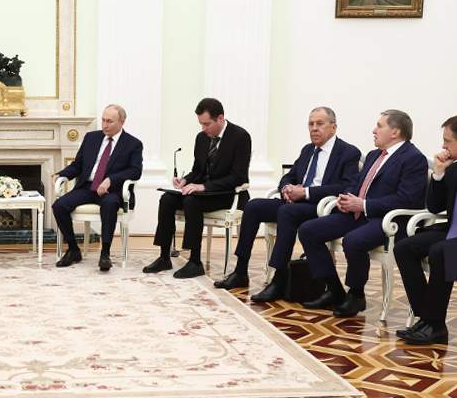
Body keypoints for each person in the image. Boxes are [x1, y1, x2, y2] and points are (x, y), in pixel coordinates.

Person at [214, 107, 360, 300]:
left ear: (333, 127)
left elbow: (346, 186)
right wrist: (286, 188)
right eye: (310, 124)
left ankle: (279, 279)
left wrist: (305, 192)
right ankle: (241, 271)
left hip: (321, 207)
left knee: (287, 212)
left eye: (319, 124)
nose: (314, 128)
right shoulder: (308, 150)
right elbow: (290, 176)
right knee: (253, 206)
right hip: (295, 203)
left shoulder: (348, 152)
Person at [298, 110, 428, 317]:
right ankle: (335, 291)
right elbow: (357, 184)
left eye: (379, 126)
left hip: (387, 220)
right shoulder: (374, 155)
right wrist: (346, 199)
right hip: (358, 214)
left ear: (395, 132)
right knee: (308, 230)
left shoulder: (413, 158)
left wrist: (364, 205)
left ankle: (356, 295)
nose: (374, 130)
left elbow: (406, 199)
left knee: (354, 240)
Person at [144, 98, 251, 278]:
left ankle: (195, 262)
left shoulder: (240, 136)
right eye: (201, 124)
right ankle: (164, 257)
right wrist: (185, 180)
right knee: (167, 199)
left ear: (220, 118)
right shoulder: (201, 138)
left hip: (227, 194)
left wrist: (203, 186)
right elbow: (197, 170)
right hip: (203, 193)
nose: (203, 128)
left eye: (207, 124)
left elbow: (238, 177)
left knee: (191, 201)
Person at [52, 104, 143, 271]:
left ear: (122, 121)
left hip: (112, 191)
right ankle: (73, 249)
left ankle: (105, 254)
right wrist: (61, 174)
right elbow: (78, 165)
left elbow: (135, 171)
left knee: (109, 204)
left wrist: (111, 180)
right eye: (103, 120)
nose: (104, 125)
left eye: (109, 121)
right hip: (87, 187)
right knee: (59, 205)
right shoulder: (91, 138)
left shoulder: (133, 144)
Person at [393, 116, 457, 345]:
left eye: (447, 141)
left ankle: (435, 325)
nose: (443, 146)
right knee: (404, 247)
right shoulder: (453, 169)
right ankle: (427, 319)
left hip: (452, 240)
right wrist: (438, 174)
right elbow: (434, 207)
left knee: (441, 251)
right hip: (452, 231)